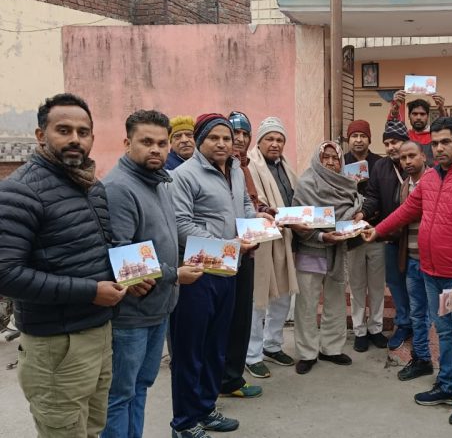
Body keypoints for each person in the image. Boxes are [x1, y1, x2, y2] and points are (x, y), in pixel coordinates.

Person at [0, 93, 126, 437]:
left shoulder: (90, 186)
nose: (75, 139)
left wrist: (131, 274)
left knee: (92, 427)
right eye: (64, 130)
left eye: (83, 132)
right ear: (41, 135)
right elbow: (6, 274)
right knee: (64, 430)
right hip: (56, 345)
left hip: (99, 332)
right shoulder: (19, 191)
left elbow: (98, 249)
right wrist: (90, 291)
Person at [365, 117, 452, 426]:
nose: (439, 148)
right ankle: (448, 384)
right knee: (445, 331)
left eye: (445, 142)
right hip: (430, 271)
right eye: (434, 143)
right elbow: (407, 210)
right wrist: (378, 230)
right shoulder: (430, 178)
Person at [101, 110, 203, 438]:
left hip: (158, 306)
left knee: (140, 386)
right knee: (121, 394)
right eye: (146, 142)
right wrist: (175, 274)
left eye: (161, 142)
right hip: (131, 315)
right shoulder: (119, 187)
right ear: (127, 142)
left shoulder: (159, 182)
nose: (156, 149)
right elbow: (122, 256)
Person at [169, 113, 268, 437]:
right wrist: (228, 245)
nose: (223, 143)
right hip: (198, 273)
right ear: (200, 140)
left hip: (229, 268)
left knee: (216, 345)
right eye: (214, 138)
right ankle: (184, 423)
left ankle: (205, 408)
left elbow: (245, 207)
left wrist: (258, 224)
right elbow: (181, 224)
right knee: (191, 349)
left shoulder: (236, 170)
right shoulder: (183, 176)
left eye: (227, 138)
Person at [292, 141, 363, 375]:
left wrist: (355, 217)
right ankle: (307, 353)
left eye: (335, 158)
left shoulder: (347, 183)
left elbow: (357, 204)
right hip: (310, 249)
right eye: (326, 157)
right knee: (307, 304)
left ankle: (331, 349)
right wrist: (322, 236)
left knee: (336, 301)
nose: (331, 162)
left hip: (338, 250)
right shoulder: (305, 184)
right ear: (318, 159)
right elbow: (298, 220)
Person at [245, 116, 300, 378]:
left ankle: (272, 345)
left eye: (280, 139)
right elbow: (251, 201)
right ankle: (252, 355)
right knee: (259, 299)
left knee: (283, 296)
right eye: (270, 139)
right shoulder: (249, 166)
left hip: (286, 238)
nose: (275, 144)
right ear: (259, 141)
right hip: (262, 241)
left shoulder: (286, 167)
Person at [218, 111, 265, 398]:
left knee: (240, 318)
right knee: (219, 322)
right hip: (217, 255)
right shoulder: (191, 173)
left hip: (245, 252)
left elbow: (248, 203)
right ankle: (216, 381)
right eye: (230, 134)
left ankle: (232, 379)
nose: (237, 139)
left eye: (244, 134)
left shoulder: (238, 168)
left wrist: (260, 218)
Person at [354, 119, 412, 352]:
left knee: (415, 285)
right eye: (386, 143)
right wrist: (363, 212)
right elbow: (373, 196)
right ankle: (403, 325)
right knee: (395, 284)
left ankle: (418, 328)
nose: (390, 147)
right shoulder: (380, 167)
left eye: (395, 142)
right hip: (389, 237)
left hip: (416, 238)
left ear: (406, 141)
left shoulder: (417, 163)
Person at [343, 120, 389, 352]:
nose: (359, 140)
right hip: (352, 236)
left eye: (363, 135)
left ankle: (376, 328)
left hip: (376, 232)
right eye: (354, 136)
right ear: (348, 139)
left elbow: (384, 195)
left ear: (369, 139)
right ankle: (360, 330)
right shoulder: (341, 162)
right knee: (357, 285)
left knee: (377, 285)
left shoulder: (380, 163)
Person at [393, 140, 433, 381]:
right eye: (403, 157)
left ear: (424, 156)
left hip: (434, 262)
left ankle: (450, 372)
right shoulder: (404, 185)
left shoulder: (435, 181)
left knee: (439, 316)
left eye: (412, 156)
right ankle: (421, 358)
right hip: (411, 259)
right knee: (417, 313)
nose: (407, 161)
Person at [387, 91, 448, 164]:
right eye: (415, 114)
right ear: (409, 116)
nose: (418, 117)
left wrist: (442, 110)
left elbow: (445, 128)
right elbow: (391, 129)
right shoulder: (405, 136)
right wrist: (396, 108)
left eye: (422, 114)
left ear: (427, 116)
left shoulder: (435, 135)